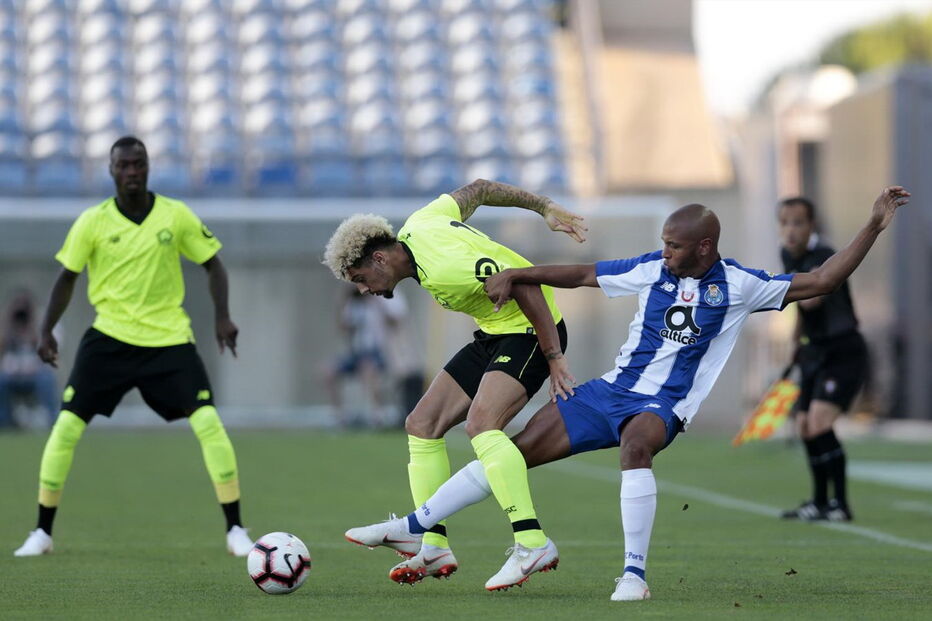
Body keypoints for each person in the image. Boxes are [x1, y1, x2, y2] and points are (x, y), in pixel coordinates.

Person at [346, 187, 909, 600]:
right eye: (663, 244)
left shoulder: (741, 285)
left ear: (705, 246)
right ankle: (420, 527)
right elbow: (584, 273)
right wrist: (524, 275)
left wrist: (875, 224)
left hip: (664, 405)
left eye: (674, 246)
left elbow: (826, 279)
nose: (664, 252)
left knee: (634, 448)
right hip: (610, 390)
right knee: (508, 452)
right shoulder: (649, 270)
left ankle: (633, 575)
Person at [325, 179, 586, 590]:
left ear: (378, 259)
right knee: (422, 423)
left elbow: (525, 282)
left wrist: (553, 357)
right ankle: (431, 545)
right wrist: (542, 206)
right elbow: (478, 189)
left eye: (360, 278)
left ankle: (532, 542)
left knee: (482, 426)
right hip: (495, 332)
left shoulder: (447, 267)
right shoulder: (421, 223)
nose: (363, 290)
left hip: (531, 331)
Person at [13, 136, 253, 558]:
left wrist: (222, 316)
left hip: (169, 340)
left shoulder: (174, 215)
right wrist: (46, 329)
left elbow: (213, 264)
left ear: (148, 167)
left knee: (209, 423)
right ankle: (42, 532)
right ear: (111, 170)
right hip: (109, 339)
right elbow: (66, 277)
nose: (131, 172)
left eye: (138, 164)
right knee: (66, 427)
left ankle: (235, 529)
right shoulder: (93, 221)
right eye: (123, 165)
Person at [777, 197, 868, 522]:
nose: (790, 230)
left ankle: (840, 504)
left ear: (812, 225)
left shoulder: (824, 256)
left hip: (842, 350)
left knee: (819, 422)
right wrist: (795, 341)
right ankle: (818, 502)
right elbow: (801, 307)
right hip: (813, 351)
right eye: (785, 222)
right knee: (804, 426)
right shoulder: (788, 254)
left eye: (798, 222)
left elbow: (811, 300)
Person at [324, 286, 393, 428]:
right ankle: (339, 416)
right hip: (355, 352)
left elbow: (393, 321)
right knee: (328, 372)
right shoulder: (353, 305)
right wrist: (343, 302)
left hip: (375, 352)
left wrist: (376, 304)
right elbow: (343, 327)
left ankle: (377, 415)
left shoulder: (376, 304)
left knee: (368, 370)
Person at [0, 290, 58, 428]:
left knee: (47, 379)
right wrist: (8, 324)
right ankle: (5, 422)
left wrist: (33, 327)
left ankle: (54, 421)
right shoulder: (6, 325)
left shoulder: (42, 325)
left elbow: (52, 355)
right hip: (11, 376)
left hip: (35, 375)